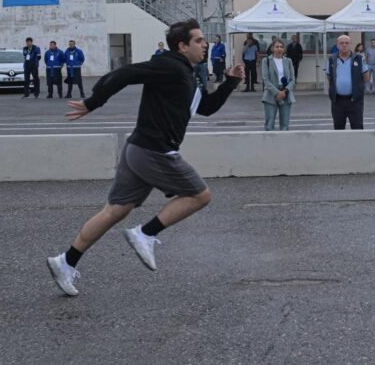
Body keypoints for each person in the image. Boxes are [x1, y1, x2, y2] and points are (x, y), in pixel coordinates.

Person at [46, 19, 244, 297]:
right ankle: (145, 233)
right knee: (200, 196)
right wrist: (94, 101)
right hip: (155, 150)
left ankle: (65, 262)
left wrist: (231, 82)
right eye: (198, 41)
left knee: (115, 210)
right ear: (182, 45)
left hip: (138, 148)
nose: (205, 45)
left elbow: (207, 107)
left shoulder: (187, 75)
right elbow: (126, 73)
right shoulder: (169, 65)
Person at [325, 35, 370, 129]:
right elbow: (329, 77)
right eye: (341, 43)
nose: (344, 45)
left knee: (357, 128)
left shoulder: (359, 59)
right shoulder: (331, 60)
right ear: (337, 45)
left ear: (350, 45)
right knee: (338, 129)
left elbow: (366, 77)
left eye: (347, 43)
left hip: (355, 101)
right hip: (337, 101)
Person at [260, 39, 295, 131]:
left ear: (284, 49)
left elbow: (292, 79)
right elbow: (265, 79)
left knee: (285, 124)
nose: (279, 49)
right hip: (271, 93)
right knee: (269, 123)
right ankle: (269, 144)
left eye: (281, 47)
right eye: (277, 47)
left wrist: (285, 91)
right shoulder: (266, 61)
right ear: (272, 48)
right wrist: (277, 93)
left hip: (285, 93)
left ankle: (284, 144)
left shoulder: (288, 61)